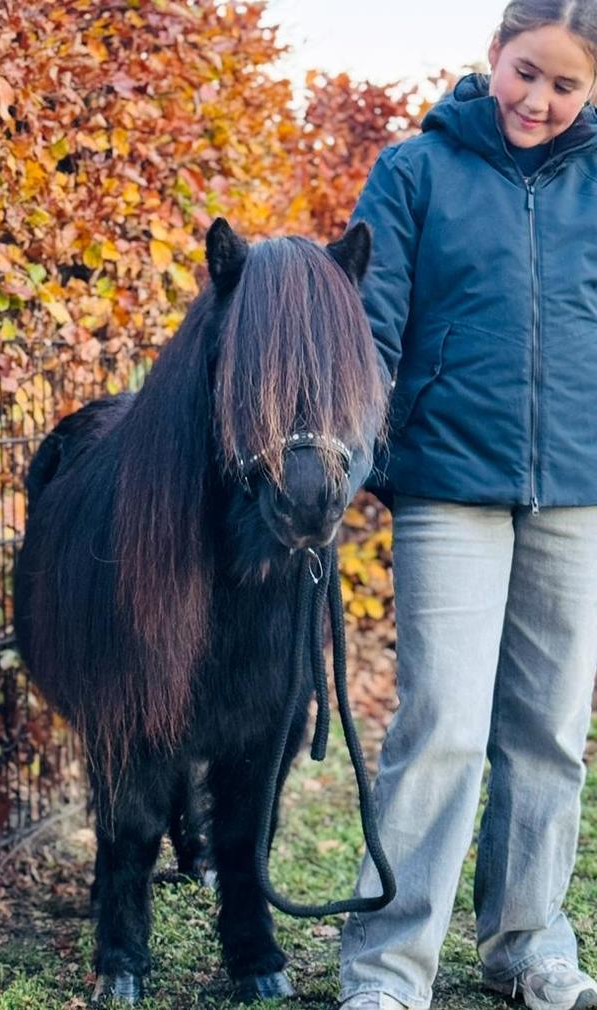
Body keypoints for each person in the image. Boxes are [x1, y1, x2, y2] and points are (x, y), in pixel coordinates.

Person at [339, 2, 597, 1009]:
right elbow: (369, 326)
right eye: (526, 71)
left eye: (566, 84)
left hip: (577, 489)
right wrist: (355, 452)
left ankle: (526, 944)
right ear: (495, 53)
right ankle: (387, 970)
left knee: (549, 729)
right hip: (448, 482)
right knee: (442, 720)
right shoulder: (415, 171)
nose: (538, 100)